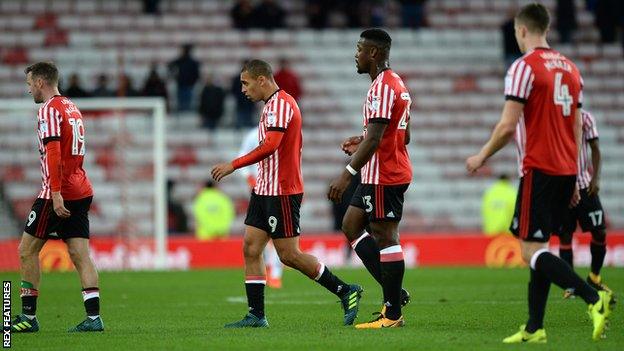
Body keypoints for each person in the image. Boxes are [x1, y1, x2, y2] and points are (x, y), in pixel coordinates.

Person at [465, 4, 614, 343]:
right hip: (565, 169)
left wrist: (481, 156)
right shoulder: (572, 68)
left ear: (522, 31)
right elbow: (577, 124)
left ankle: (594, 298)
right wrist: (576, 174)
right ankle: (535, 327)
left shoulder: (524, 67)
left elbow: (507, 126)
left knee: (530, 252)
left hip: (538, 167)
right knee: (541, 246)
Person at [211, 59, 362, 328]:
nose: (243, 90)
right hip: (264, 189)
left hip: (281, 191)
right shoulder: (270, 105)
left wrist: (233, 164)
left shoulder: (282, 104)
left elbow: (271, 145)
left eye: (245, 83)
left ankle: (345, 290)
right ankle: (256, 314)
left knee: (289, 255)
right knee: (251, 247)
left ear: (262, 80)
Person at [327, 28, 412, 329]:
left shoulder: (381, 88)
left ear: (374, 53)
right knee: (351, 225)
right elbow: (405, 135)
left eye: (360, 48)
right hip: (382, 170)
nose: (356, 54)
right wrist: (362, 138)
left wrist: (346, 174)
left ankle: (392, 313)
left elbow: (377, 139)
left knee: (385, 236)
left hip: (384, 173)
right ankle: (395, 293)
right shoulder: (396, 84)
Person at [11, 62, 103, 333]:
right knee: (80, 254)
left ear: (40, 82)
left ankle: (28, 317)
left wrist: (56, 194)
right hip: (82, 188)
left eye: (29, 84)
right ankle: (94, 318)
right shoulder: (72, 107)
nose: (29, 90)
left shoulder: (49, 109)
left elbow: (53, 152)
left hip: (57, 191)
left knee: (26, 251)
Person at [557, 110, 611, 297]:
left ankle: (594, 277)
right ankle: (570, 285)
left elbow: (595, 148)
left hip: (585, 186)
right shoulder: (554, 116)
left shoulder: (585, 118)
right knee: (565, 235)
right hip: (563, 188)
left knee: (600, 231)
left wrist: (595, 179)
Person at [238, 128, 283, 288]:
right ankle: (269, 272)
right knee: (259, 238)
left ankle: (275, 273)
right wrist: (251, 180)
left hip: (278, 191)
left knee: (276, 237)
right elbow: (242, 158)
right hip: (258, 191)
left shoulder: (283, 132)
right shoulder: (252, 135)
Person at [168, 44, 200, 112]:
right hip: (181, 85)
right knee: (182, 103)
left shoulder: (192, 62)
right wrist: (175, 76)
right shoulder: (181, 61)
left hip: (188, 86)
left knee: (186, 103)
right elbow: (170, 65)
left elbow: (197, 75)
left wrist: (193, 81)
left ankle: (185, 116)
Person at [231, 61, 256, 129]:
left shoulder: (253, 78)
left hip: (249, 103)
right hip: (241, 104)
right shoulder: (237, 78)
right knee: (240, 125)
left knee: (248, 126)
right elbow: (234, 90)